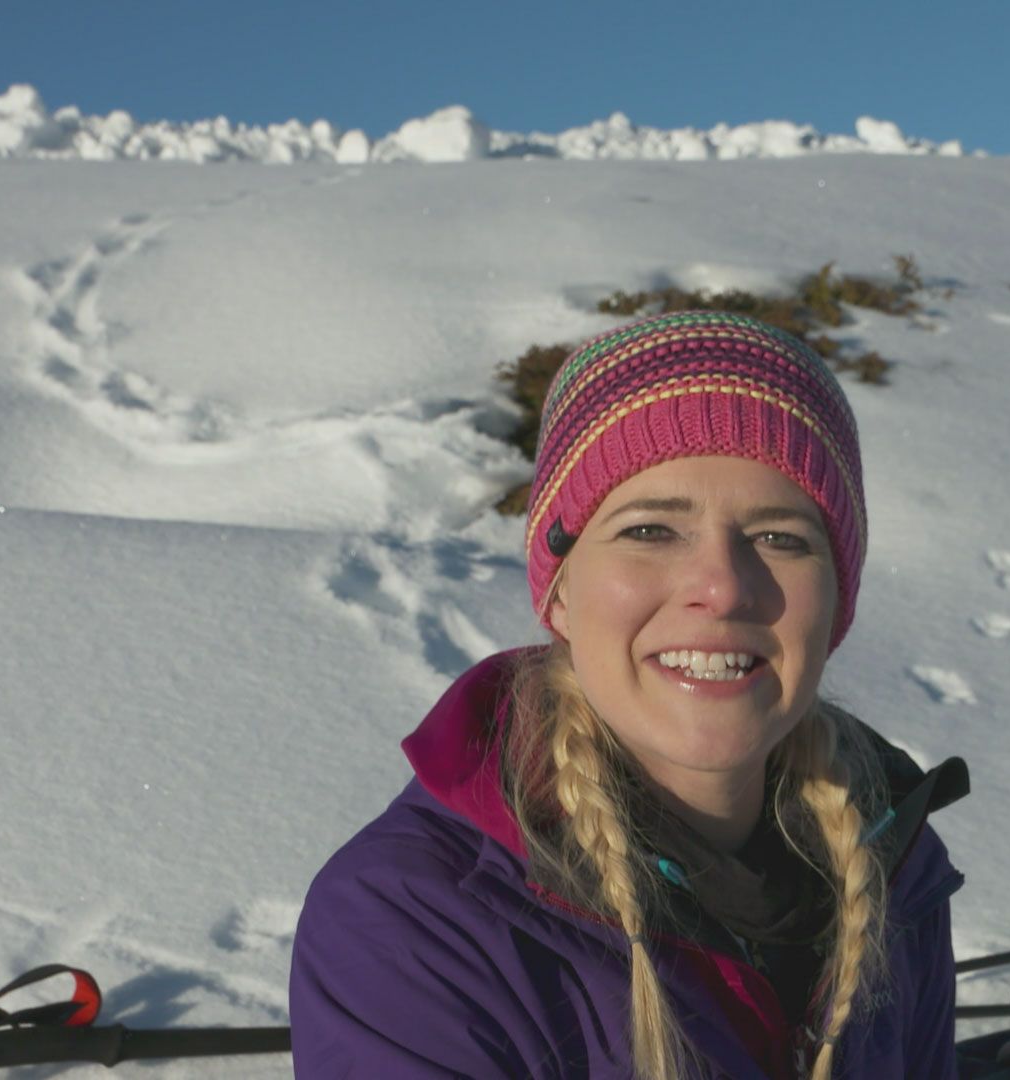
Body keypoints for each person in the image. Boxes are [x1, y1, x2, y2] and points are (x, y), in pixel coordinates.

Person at [290, 310, 970, 1078]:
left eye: (781, 537)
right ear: (559, 595)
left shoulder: (890, 860)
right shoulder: (411, 924)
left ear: (835, 602)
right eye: (651, 530)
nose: (720, 587)